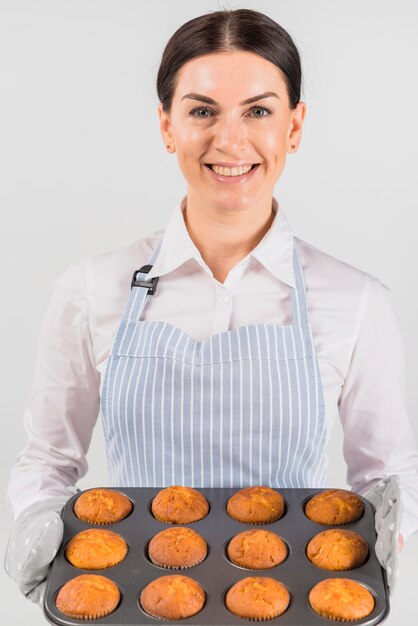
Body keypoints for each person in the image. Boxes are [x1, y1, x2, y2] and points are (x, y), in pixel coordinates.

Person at [4, 7, 418, 606]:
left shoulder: (356, 302)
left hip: (293, 605)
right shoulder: (90, 290)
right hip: (137, 604)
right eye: (202, 111)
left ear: (294, 127)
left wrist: (395, 525)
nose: (230, 141)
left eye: (259, 111)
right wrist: (35, 514)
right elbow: (47, 458)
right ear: (167, 126)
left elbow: (389, 475)